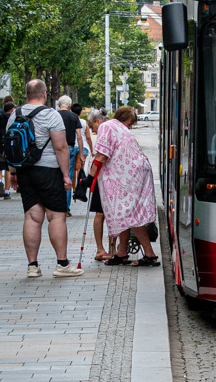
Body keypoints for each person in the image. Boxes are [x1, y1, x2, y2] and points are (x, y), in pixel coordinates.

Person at [7, 80, 79, 278]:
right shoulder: (50, 114)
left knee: (32, 216)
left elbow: (11, 145)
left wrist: (13, 173)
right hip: (49, 171)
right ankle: (62, 264)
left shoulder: (16, 113)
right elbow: (61, 147)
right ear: (45, 94)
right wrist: (66, 175)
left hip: (25, 170)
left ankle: (32, 266)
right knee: (56, 216)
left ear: (26, 93)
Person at [91, 106, 159, 267]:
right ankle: (122, 253)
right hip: (134, 174)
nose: (130, 127)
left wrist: (89, 177)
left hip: (128, 177)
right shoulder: (118, 128)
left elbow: (102, 155)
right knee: (125, 213)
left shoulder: (107, 126)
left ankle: (149, 255)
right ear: (123, 119)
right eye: (129, 123)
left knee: (130, 214)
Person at [83, 109, 110, 260]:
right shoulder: (109, 128)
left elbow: (101, 156)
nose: (92, 129)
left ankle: (105, 249)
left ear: (98, 121)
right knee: (101, 213)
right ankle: (101, 249)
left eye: (92, 126)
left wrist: (90, 176)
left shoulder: (105, 129)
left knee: (102, 213)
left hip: (104, 177)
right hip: (104, 177)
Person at [56, 95, 82, 209]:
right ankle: (66, 207)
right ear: (70, 105)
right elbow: (79, 137)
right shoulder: (74, 117)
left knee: (56, 177)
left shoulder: (54, 116)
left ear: (59, 105)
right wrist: (81, 154)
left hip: (56, 149)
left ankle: (55, 205)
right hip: (70, 148)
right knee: (68, 177)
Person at [0, 98, 15, 200]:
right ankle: (7, 191)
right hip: (9, 145)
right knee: (7, 169)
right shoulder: (13, 118)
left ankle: (0, 182)